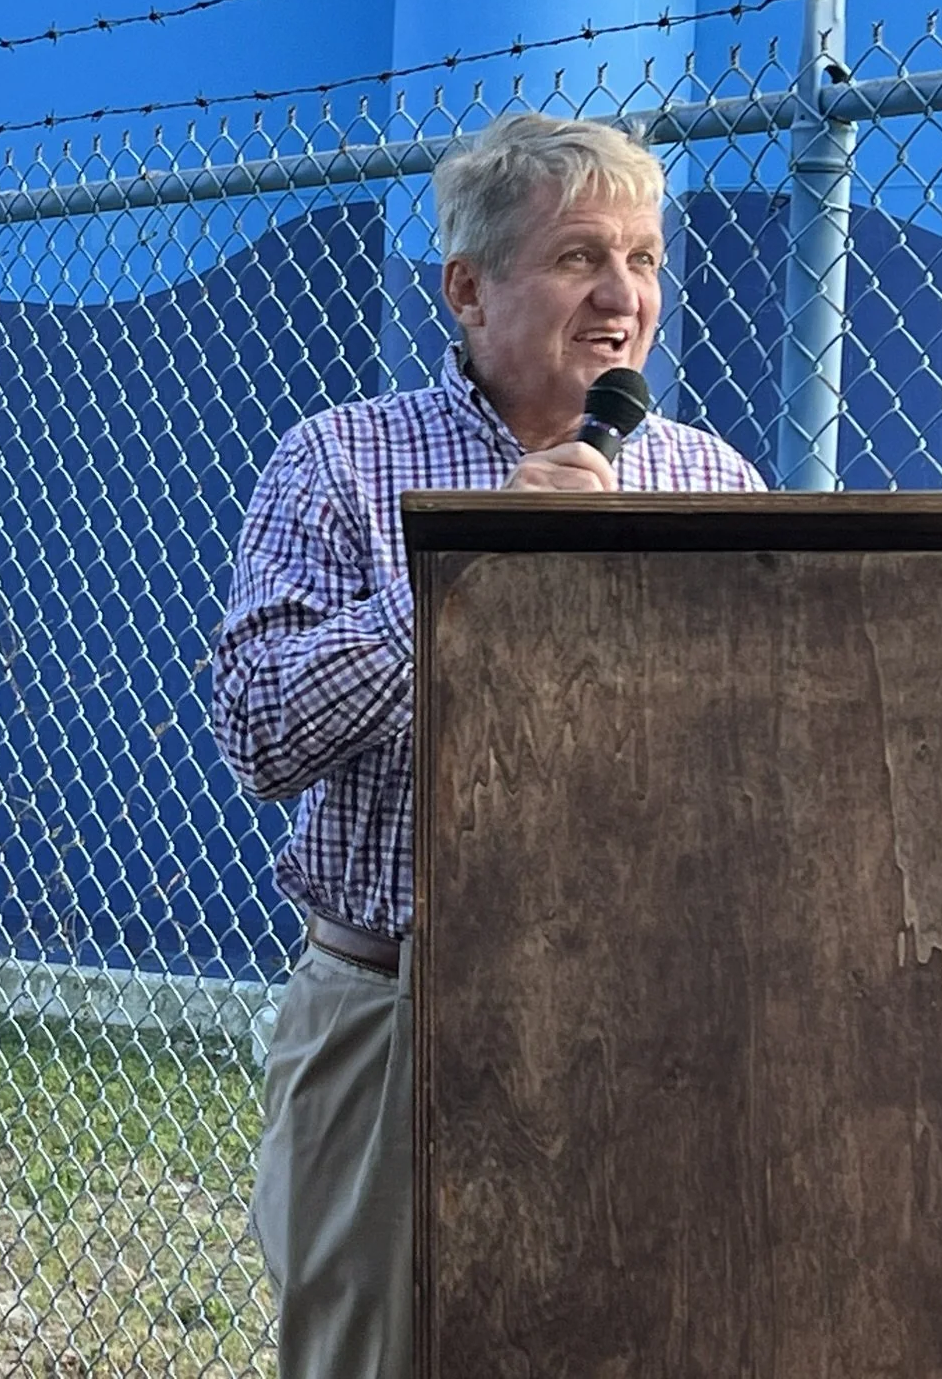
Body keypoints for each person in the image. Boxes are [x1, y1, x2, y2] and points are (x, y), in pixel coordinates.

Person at [210, 111, 766, 1379]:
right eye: (578, 258)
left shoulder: (705, 481)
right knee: (368, 1351)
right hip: (392, 1010)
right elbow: (258, 736)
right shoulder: (339, 463)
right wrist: (463, 564)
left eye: (643, 260)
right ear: (468, 288)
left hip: (642, 1014)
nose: (621, 297)